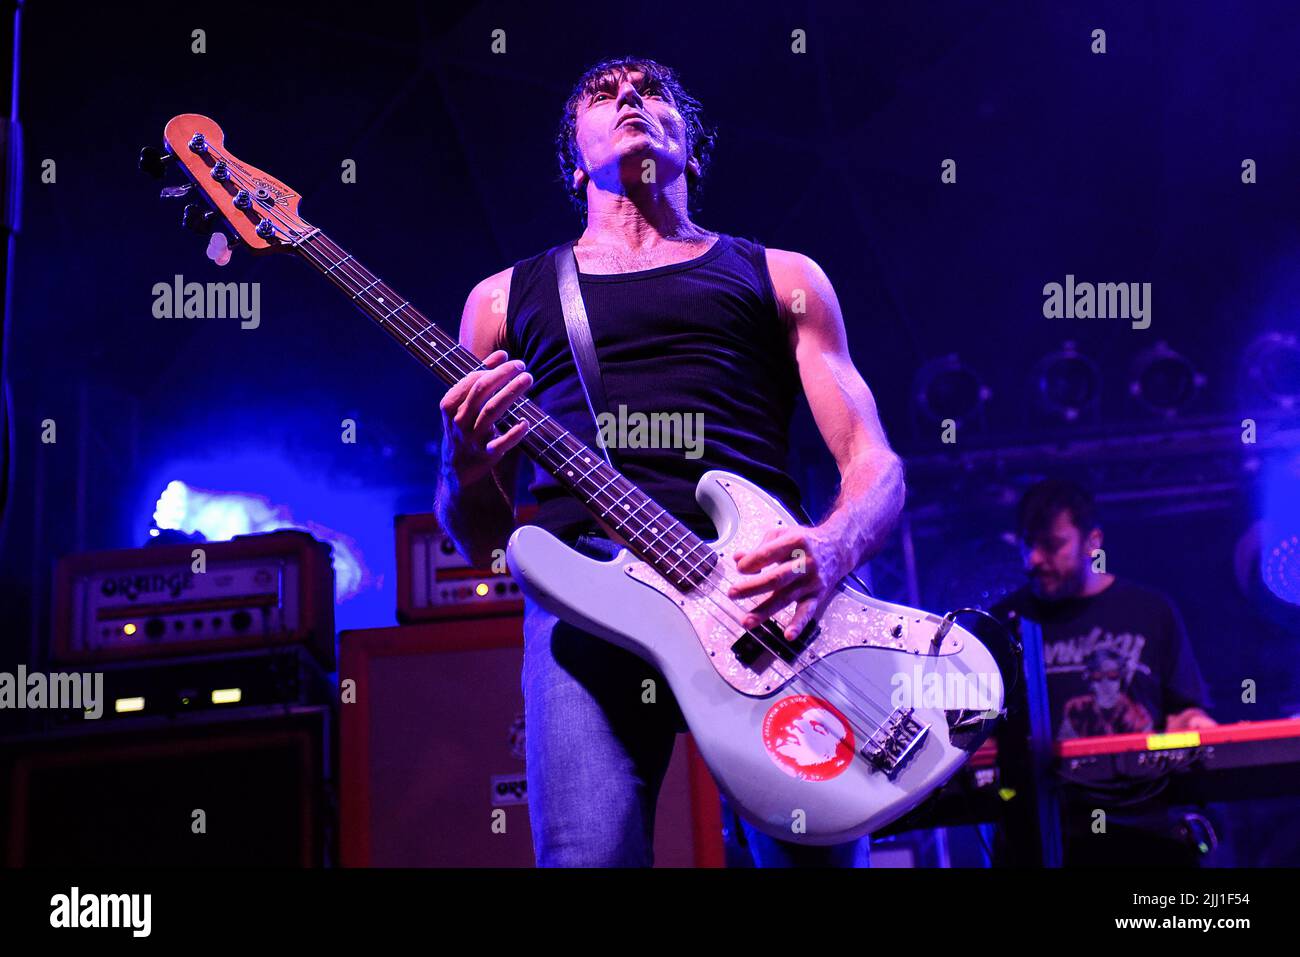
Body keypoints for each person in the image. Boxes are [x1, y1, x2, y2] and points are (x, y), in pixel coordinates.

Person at [435, 57, 904, 867]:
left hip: (764, 604)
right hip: (589, 607)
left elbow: (875, 465)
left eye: (650, 91)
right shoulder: (501, 301)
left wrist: (827, 551)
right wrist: (465, 459)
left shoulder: (784, 277)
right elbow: (478, 539)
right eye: (601, 93)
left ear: (690, 144)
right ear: (573, 160)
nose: (628, 97)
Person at [990, 478, 1217, 866]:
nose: (1033, 561)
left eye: (1052, 545)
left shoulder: (1151, 611)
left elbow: (1183, 710)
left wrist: (1202, 729)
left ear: (1092, 542)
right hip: (1041, 836)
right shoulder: (1004, 623)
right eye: (1028, 544)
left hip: (1146, 830)